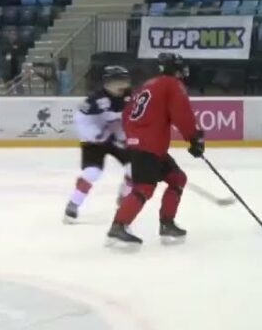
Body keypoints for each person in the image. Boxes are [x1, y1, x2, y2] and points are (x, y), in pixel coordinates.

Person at [107, 53, 204, 249]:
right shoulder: (172, 84)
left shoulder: (147, 85)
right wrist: (194, 138)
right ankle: (118, 226)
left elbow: (127, 115)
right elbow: (182, 114)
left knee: (177, 178)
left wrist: (134, 136)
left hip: (147, 146)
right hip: (148, 147)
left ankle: (167, 224)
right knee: (144, 187)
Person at [65, 66, 133, 222]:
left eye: (125, 80)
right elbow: (80, 120)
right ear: (107, 83)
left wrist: (123, 136)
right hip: (94, 141)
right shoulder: (94, 99)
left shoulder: (130, 96)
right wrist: (97, 135)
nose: (124, 84)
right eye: (119, 81)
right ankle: (74, 203)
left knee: (134, 169)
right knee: (92, 173)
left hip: (116, 137)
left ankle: (124, 197)